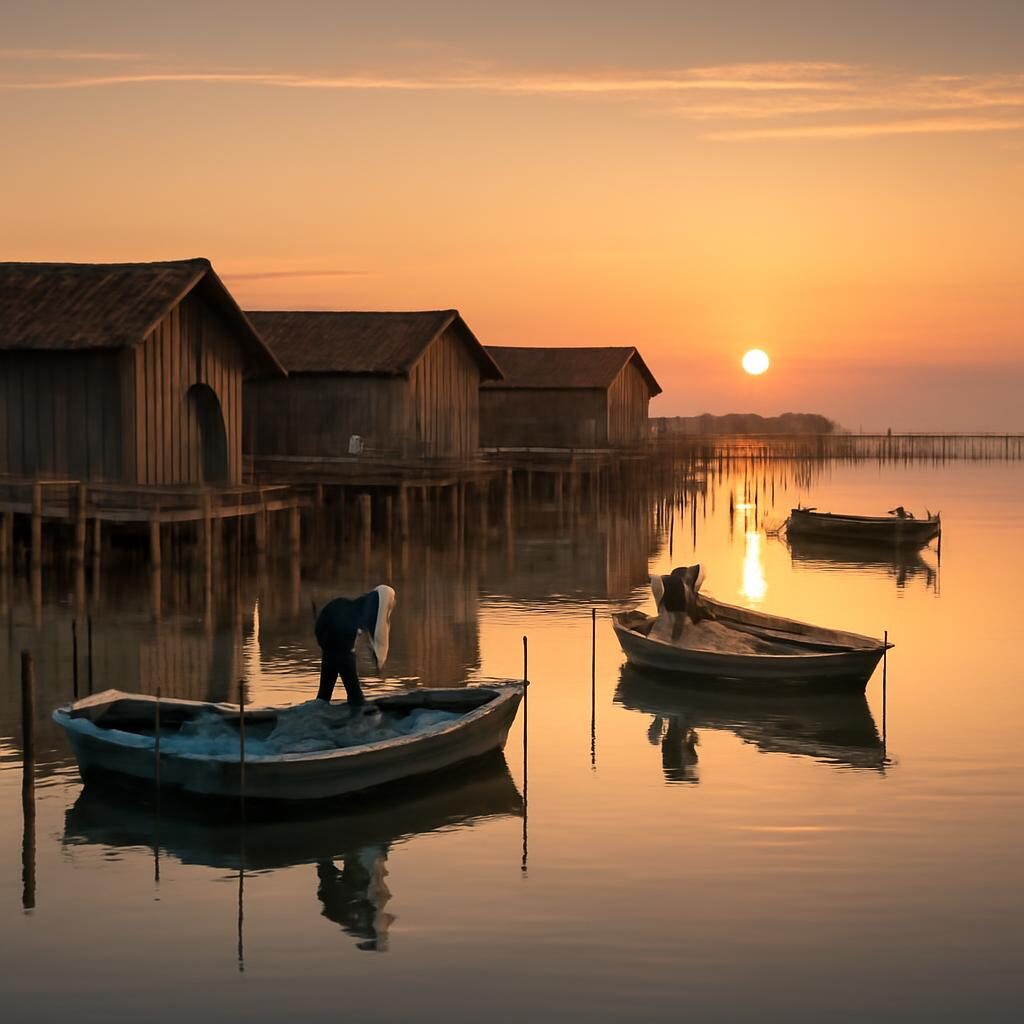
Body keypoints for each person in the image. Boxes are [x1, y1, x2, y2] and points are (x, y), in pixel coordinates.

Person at [314, 585, 396, 706]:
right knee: (356, 697)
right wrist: (379, 660)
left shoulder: (359, 606)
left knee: (324, 695)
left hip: (328, 641)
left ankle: (317, 719)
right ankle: (356, 721)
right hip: (340, 645)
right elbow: (379, 634)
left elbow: (374, 633)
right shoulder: (372, 609)